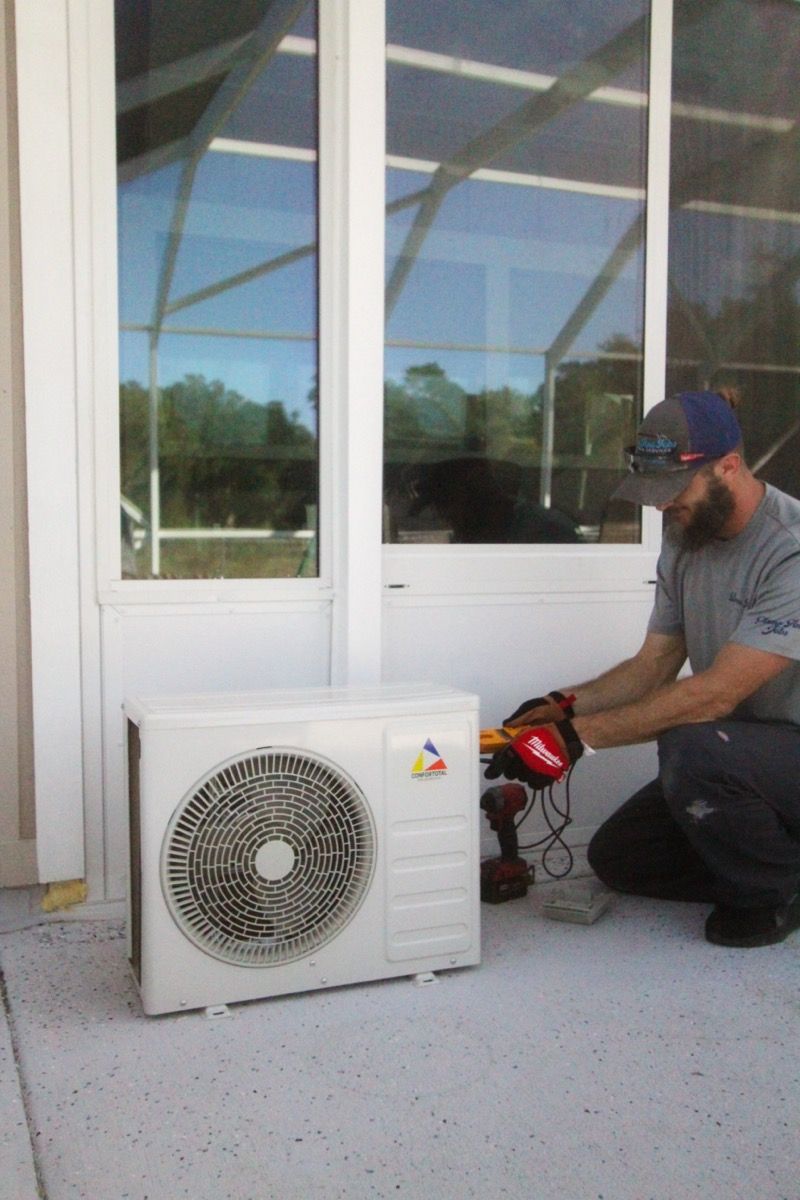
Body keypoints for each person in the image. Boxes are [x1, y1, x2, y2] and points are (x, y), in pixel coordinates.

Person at [485, 389, 800, 948]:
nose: (660, 506)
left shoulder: (790, 549)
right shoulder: (686, 538)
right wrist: (562, 707)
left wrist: (570, 741)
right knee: (622, 858)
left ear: (728, 467)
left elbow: (716, 695)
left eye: (674, 489)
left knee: (692, 746)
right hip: (747, 756)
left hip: (773, 748)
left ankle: (772, 891)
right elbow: (652, 665)